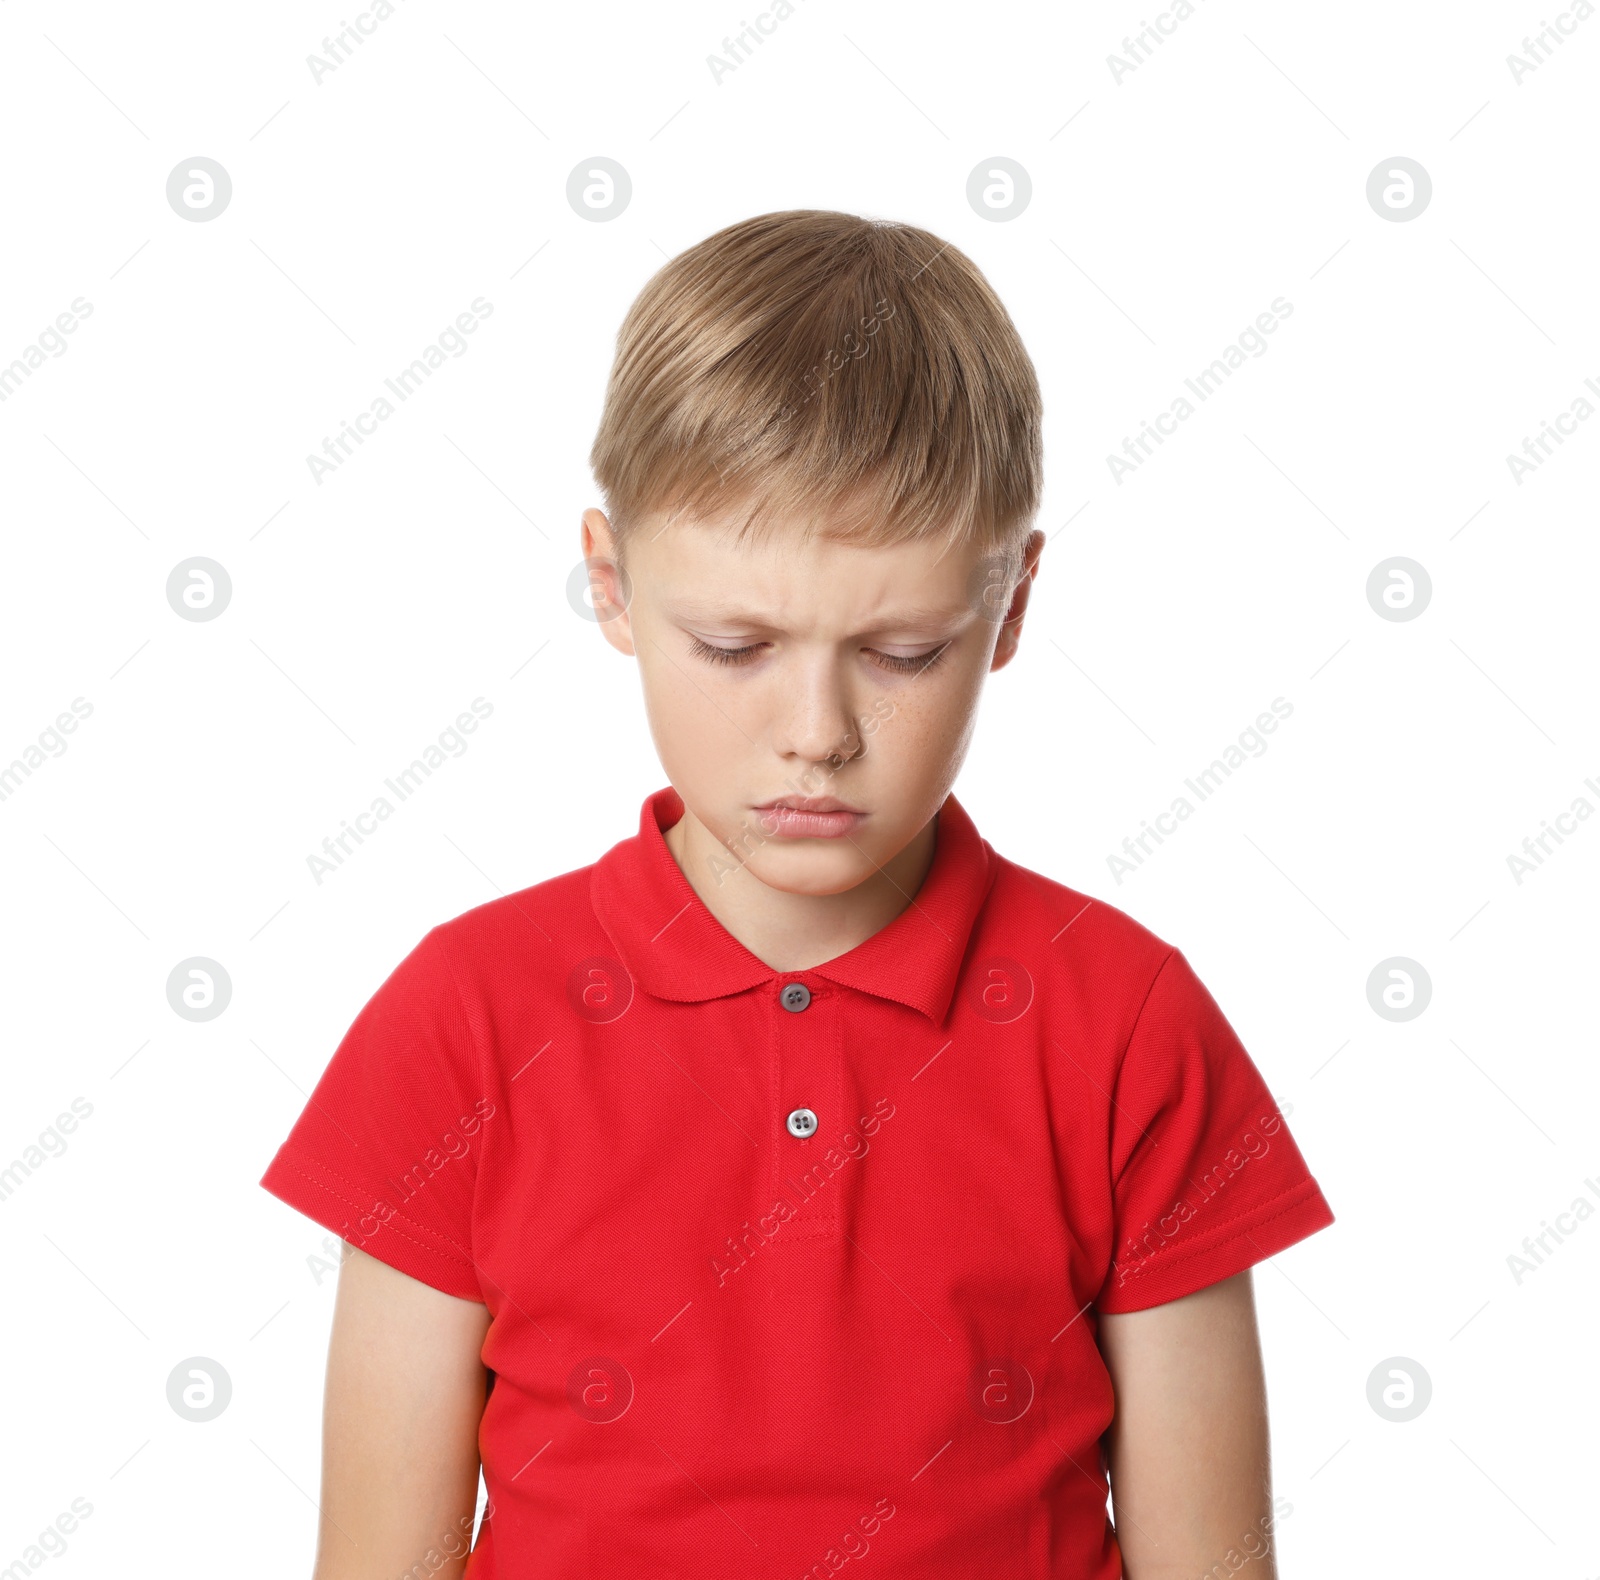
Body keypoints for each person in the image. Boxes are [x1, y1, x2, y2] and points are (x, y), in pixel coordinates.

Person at [260, 208, 1334, 1580]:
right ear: (611, 584)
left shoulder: (1127, 1025)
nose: (815, 732)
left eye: (900, 650)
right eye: (735, 644)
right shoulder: (464, 1020)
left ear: (1009, 607)